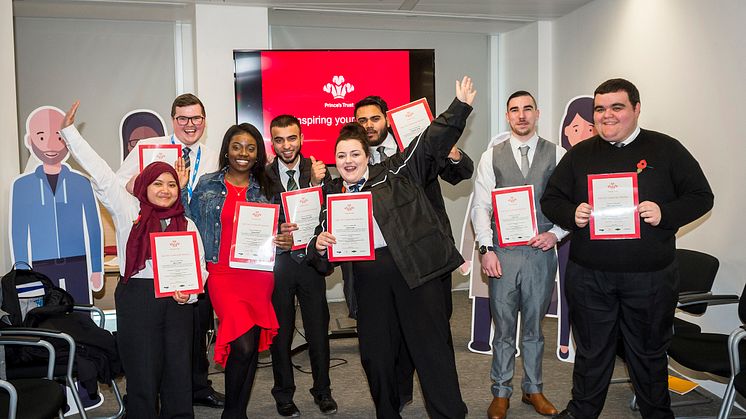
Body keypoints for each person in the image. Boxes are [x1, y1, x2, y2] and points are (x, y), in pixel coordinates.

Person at [541, 78, 714, 419]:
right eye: (600, 109)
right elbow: (552, 199)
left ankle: (656, 414)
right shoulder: (579, 155)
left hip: (649, 278)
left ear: (636, 109)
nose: (607, 115)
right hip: (590, 276)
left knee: (649, 354)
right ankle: (582, 412)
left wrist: (666, 214)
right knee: (592, 352)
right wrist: (570, 213)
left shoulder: (667, 149)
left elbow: (701, 197)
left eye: (617, 107)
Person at [310, 76, 476, 419]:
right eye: (341, 155)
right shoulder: (331, 197)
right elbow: (319, 251)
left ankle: (449, 414)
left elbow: (429, 142)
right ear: (335, 160)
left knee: (432, 351)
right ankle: (388, 412)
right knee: (377, 355)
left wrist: (458, 108)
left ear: (366, 156)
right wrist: (319, 246)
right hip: (369, 285)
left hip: (415, 274)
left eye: (355, 153)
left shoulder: (394, 171)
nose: (348, 160)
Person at [60, 101, 207, 419]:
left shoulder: (187, 223)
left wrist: (191, 293)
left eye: (171, 184)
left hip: (178, 302)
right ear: (144, 185)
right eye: (157, 183)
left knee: (178, 373)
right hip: (138, 298)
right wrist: (70, 133)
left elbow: (200, 267)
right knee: (142, 372)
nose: (165, 190)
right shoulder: (129, 210)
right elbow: (100, 173)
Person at [353, 95, 474, 410]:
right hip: (383, 264)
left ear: (387, 118)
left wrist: (454, 152)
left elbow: (459, 173)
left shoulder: (414, 147)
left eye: (374, 118)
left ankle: (442, 401)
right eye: (362, 120)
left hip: (425, 253)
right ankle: (401, 391)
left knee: (432, 331)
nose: (369, 126)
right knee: (390, 334)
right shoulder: (355, 161)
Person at [117, 93, 224, 409]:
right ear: (173, 120)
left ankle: (195, 386)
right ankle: (151, 394)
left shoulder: (214, 156)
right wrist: (162, 182)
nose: (190, 125)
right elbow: (122, 184)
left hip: (200, 253)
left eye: (196, 118)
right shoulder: (149, 151)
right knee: (153, 344)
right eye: (183, 118)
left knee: (194, 331)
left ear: (204, 122)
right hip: (157, 245)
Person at [471, 91, 566, 419]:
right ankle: (501, 391)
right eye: (515, 110)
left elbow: (570, 204)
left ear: (537, 113)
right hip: (503, 255)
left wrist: (556, 234)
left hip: (540, 255)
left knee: (534, 330)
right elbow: (480, 207)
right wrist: (486, 249)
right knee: (504, 328)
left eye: (527, 109)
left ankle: (533, 389)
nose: (521, 115)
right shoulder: (491, 156)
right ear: (507, 116)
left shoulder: (557, 153)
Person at [187, 123, 292, 419]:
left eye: (250, 148)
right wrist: (182, 188)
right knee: (244, 345)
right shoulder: (207, 184)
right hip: (221, 273)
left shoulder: (268, 188)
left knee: (247, 348)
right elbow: (187, 220)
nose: (243, 153)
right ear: (226, 151)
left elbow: (281, 232)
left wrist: (285, 240)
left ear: (258, 153)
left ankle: (238, 412)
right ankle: (232, 414)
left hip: (258, 275)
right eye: (236, 147)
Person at [265, 115, 336, 417]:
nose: (286, 145)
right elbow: (254, 222)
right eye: (279, 140)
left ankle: (323, 391)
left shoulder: (317, 169)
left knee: (318, 331)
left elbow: (334, 209)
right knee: (279, 334)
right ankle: (283, 394)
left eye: (291, 138)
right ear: (273, 142)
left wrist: (318, 184)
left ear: (301, 138)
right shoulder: (262, 175)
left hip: (310, 262)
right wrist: (273, 232)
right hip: (279, 265)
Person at [11, 106, 103, 304]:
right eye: (42, 137)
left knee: (80, 314)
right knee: (45, 319)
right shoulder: (22, 186)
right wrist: (23, 275)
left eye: (58, 137)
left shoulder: (82, 183)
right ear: (30, 141)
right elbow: (18, 232)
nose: (51, 145)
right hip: (40, 266)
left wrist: (96, 268)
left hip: (78, 262)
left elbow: (93, 227)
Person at [556, 96, 597, 362]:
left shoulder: (603, 159)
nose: (579, 133)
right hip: (564, 236)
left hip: (596, 241)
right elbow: (552, 199)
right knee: (565, 290)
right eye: (574, 126)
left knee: (588, 295)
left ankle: (583, 340)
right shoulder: (561, 160)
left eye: (588, 127)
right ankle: (563, 339)